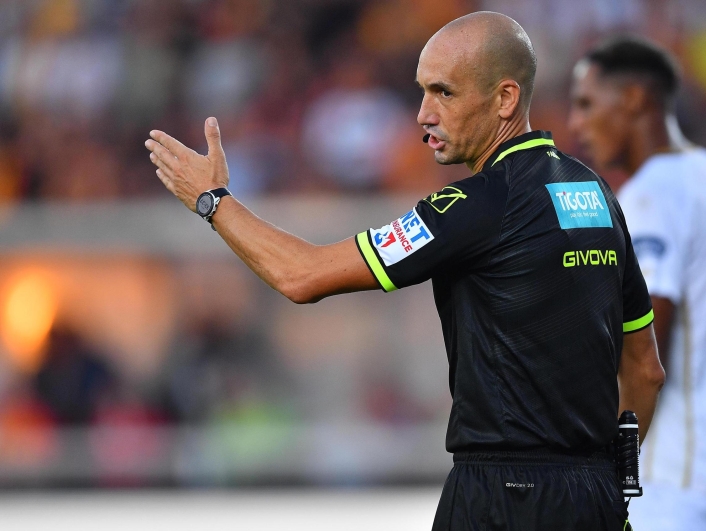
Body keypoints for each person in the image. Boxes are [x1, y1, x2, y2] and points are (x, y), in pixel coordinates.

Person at [145, 11, 664, 531]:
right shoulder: (596, 195)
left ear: (505, 99)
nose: (422, 114)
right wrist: (612, 479)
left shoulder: (474, 205)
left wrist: (213, 201)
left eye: (443, 93)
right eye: (422, 92)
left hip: (502, 497)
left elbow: (301, 276)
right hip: (596, 496)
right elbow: (645, 370)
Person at [568, 36, 706, 531]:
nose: (576, 123)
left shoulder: (652, 196)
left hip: (677, 468)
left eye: (587, 103)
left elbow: (645, 344)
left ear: (634, 98)